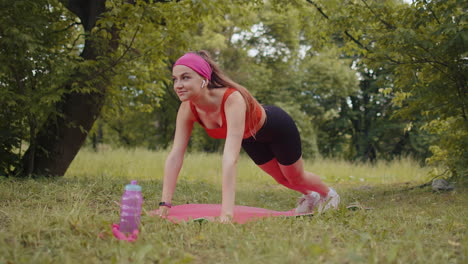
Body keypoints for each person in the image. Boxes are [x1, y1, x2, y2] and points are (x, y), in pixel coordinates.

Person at [158, 50, 340, 223]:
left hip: (277, 128)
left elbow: (230, 159)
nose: (178, 85)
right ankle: (311, 196)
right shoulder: (187, 109)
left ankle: (328, 194)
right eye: (175, 79)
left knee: (295, 177)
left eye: (185, 77)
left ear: (205, 79)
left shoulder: (232, 99)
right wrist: (165, 204)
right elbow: (176, 155)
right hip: (250, 137)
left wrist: (226, 215)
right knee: (280, 179)